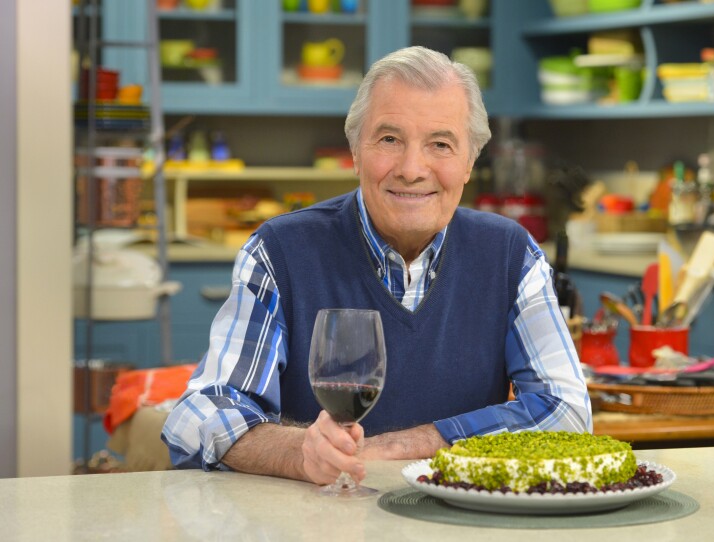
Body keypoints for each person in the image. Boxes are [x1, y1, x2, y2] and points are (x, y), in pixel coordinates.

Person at [161, 46, 591, 486]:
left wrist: (401, 447)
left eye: (440, 144)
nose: (411, 169)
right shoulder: (280, 251)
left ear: (469, 163)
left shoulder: (510, 254)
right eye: (389, 140)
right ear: (355, 152)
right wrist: (299, 452)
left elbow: (567, 410)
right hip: (313, 525)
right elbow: (200, 414)